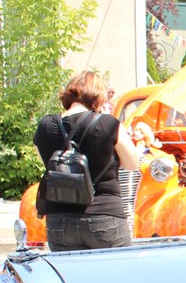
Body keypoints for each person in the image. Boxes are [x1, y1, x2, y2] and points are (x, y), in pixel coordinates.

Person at [32, 70, 138, 251]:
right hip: (105, 216)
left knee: (70, 278)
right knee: (118, 276)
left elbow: (46, 163)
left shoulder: (45, 126)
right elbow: (132, 163)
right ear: (98, 98)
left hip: (60, 220)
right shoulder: (109, 124)